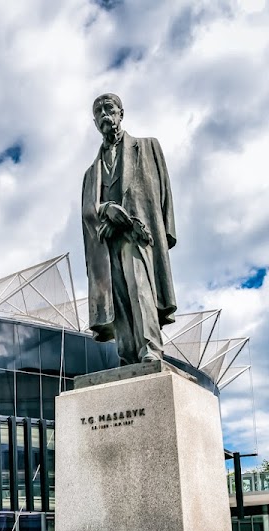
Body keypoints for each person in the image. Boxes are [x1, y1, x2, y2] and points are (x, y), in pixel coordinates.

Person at [81, 93, 178, 364]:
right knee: (119, 297)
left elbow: (162, 193)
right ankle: (127, 354)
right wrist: (105, 212)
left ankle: (151, 347)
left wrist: (164, 234)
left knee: (140, 287)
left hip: (139, 235)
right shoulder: (91, 172)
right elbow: (88, 208)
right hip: (108, 241)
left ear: (121, 113)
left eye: (108, 108)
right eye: (98, 111)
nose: (103, 114)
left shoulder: (148, 147)